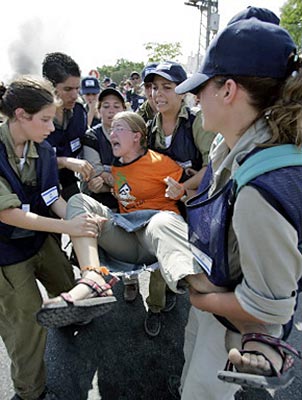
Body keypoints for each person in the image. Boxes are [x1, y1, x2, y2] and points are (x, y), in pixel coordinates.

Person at [166, 16, 302, 400]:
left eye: (202, 88)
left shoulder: (260, 186)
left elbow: (271, 307)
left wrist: (198, 296)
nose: (195, 99)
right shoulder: (233, 144)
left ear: (228, 90)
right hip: (220, 285)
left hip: (234, 314)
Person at [0, 76, 114, 400]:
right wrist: (70, 228)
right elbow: (7, 214)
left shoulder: (45, 151)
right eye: (46, 120)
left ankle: (68, 318)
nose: (52, 128)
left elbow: (52, 200)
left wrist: (78, 219)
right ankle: (31, 392)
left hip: (40, 240)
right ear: (21, 115)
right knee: (26, 329)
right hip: (6, 255)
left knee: (67, 281)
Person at [42, 52, 94, 200]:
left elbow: (86, 143)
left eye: (77, 89)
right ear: (50, 87)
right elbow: (32, 161)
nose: (75, 95)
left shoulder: (79, 113)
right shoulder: (32, 117)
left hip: (68, 184)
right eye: (68, 89)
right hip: (38, 189)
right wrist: (64, 161)